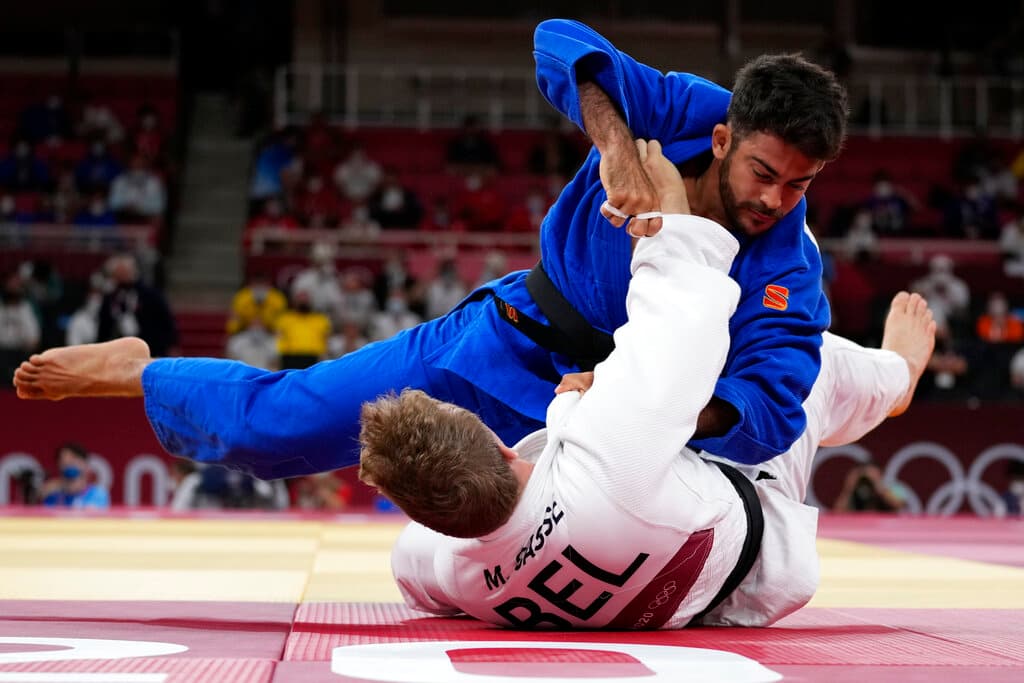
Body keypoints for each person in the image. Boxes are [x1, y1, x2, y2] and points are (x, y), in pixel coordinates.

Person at [12, 19, 846, 481]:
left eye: (800, 186)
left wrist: (659, 408)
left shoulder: (790, 270)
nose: (774, 201)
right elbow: (558, 42)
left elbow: (774, 407)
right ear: (725, 132)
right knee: (284, 430)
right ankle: (143, 369)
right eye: (764, 172)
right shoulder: (684, 109)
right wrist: (620, 150)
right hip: (503, 341)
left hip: (617, 430)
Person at [361, 144, 935, 629]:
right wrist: (676, 211)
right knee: (808, 367)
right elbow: (684, 308)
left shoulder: (450, 569)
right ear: (502, 443)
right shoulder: (610, 451)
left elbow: (413, 566)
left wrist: (572, 407)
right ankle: (896, 378)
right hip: (759, 542)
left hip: (701, 602)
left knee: (646, 402)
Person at [40, 442, 110, 510]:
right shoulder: (51, 493)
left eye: (73, 458)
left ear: (85, 464)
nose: (68, 463)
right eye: (64, 461)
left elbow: (93, 515)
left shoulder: (98, 493)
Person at [832, 461, 907, 512]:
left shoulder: (894, 487)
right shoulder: (857, 489)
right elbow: (838, 511)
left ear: (881, 473)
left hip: (886, 527)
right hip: (860, 527)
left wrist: (878, 485)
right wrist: (849, 487)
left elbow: (899, 506)